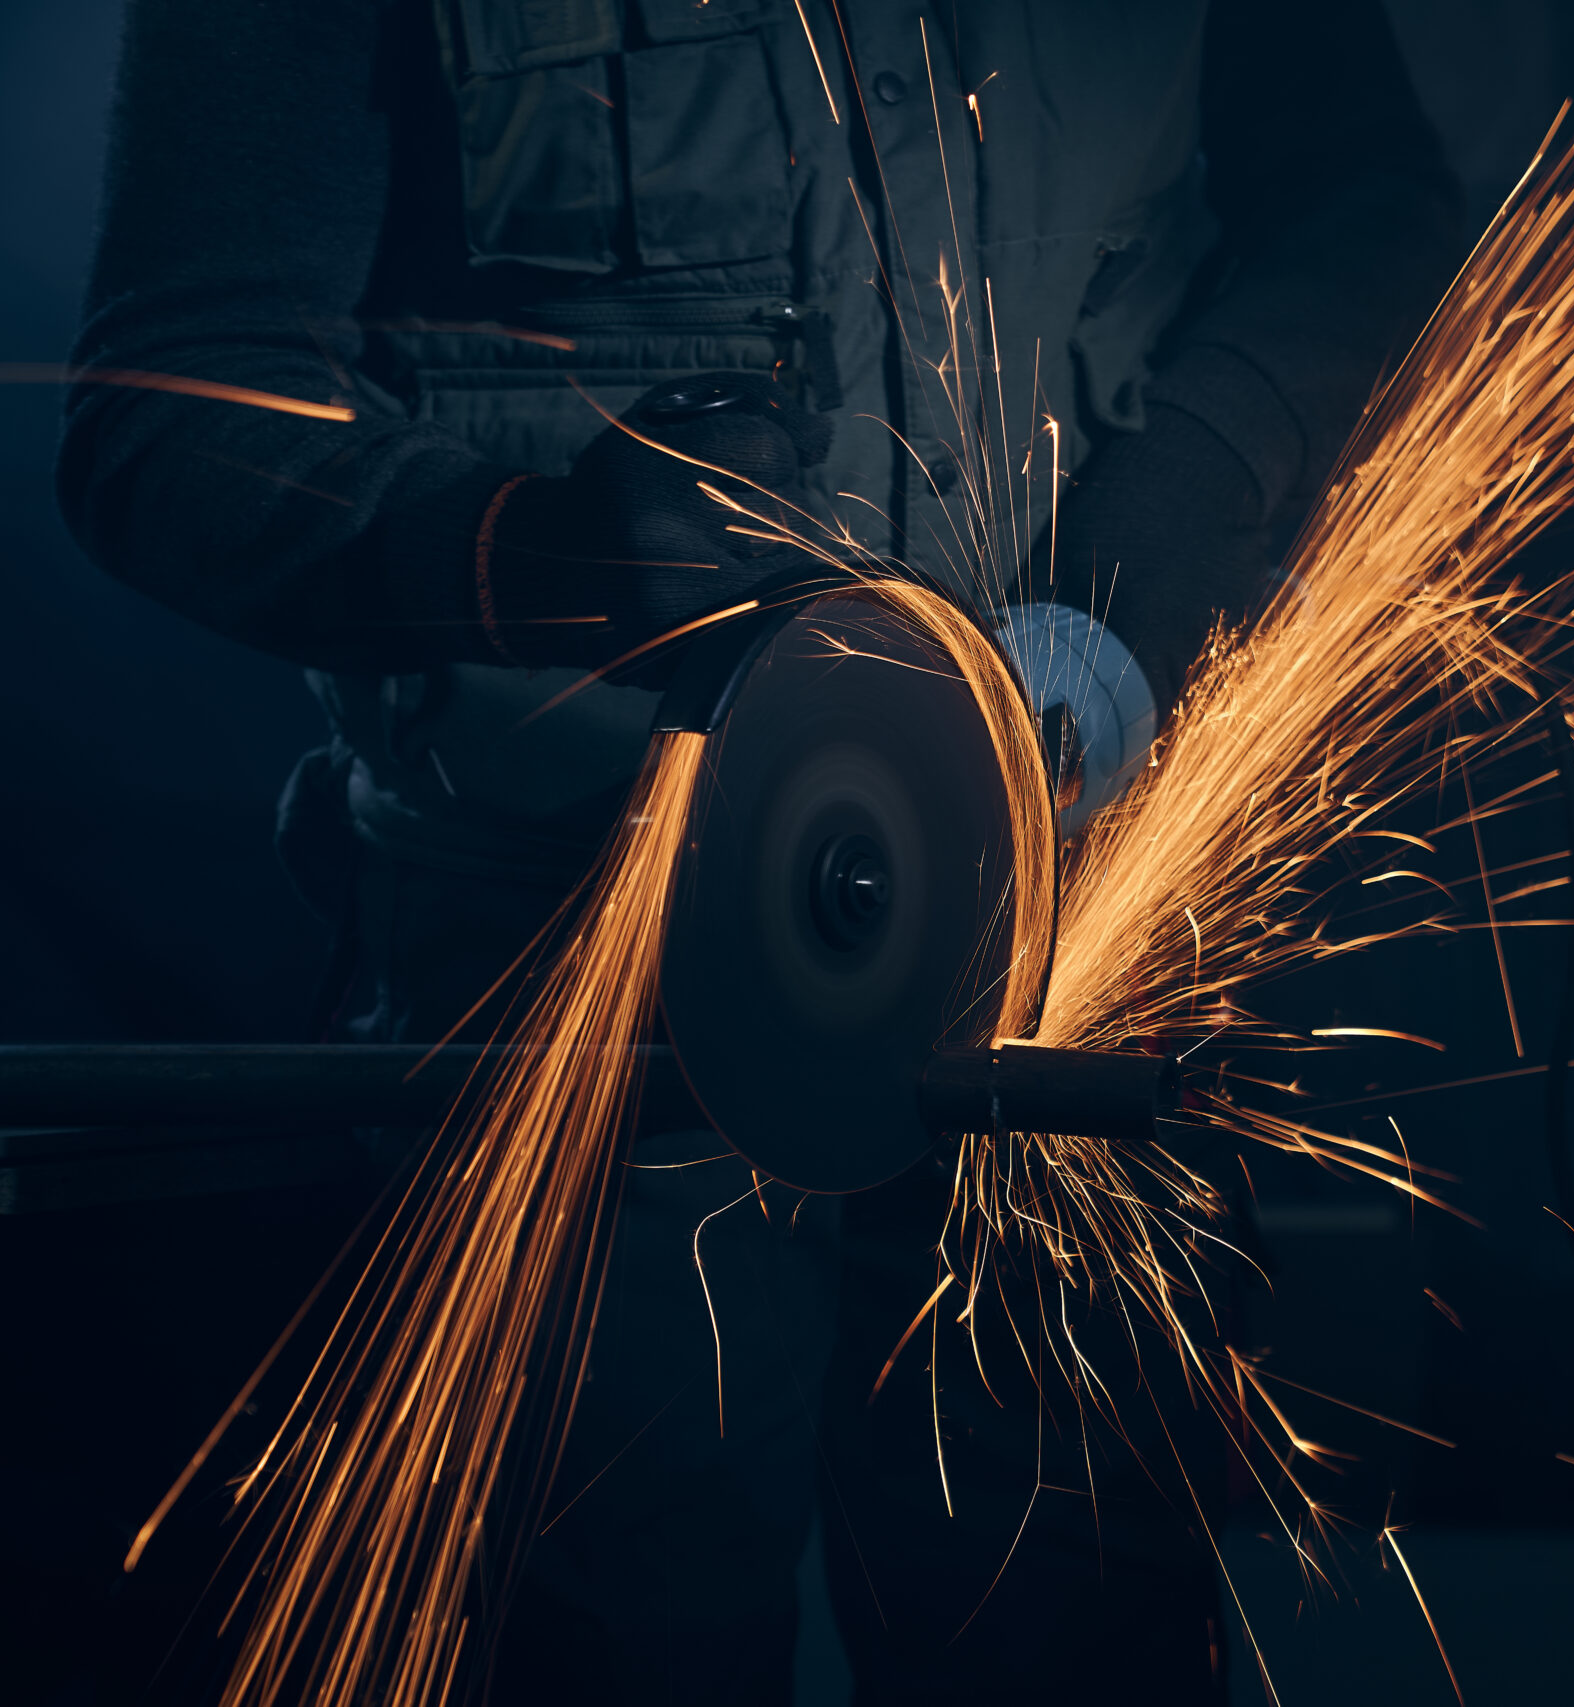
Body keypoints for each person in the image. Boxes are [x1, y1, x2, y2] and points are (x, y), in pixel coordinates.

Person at [58, 1, 1459, 1701]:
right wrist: (531, 560)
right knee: (600, 1640)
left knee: (1072, 1625)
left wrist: (1162, 541)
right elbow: (161, 413)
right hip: (579, 988)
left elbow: (1369, 209)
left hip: (1071, 937)